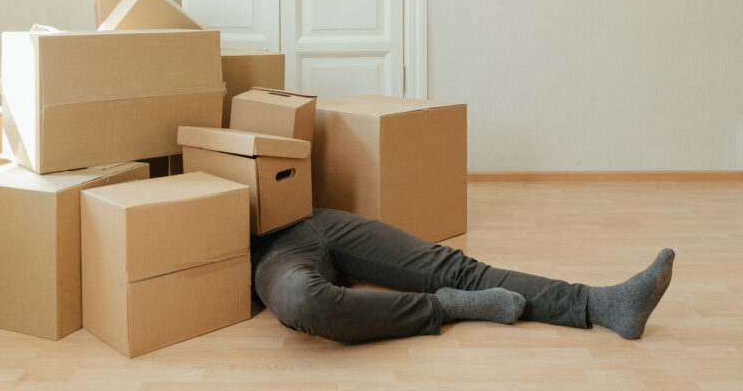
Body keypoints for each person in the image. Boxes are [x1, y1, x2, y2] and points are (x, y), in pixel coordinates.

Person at [252, 208, 674, 343]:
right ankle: (447, 306)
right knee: (304, 300)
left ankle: (603, 303)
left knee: (456, 268)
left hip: (308, 214)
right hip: (266, 251)